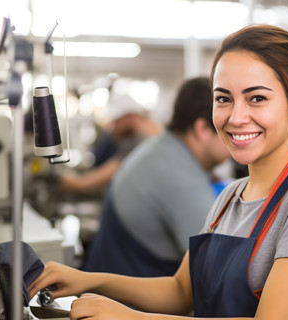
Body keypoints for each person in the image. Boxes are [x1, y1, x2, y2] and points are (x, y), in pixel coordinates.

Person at [29, 24, 288, 320]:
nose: (236, 116)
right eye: (223, 98)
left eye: (257, 98)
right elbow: (181, 291)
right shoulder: (229, 197)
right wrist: (90, 280)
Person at [82, 76, 231, 277]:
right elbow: (219, 271)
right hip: (126, 302)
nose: (238, 136)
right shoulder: (181, 179)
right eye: (230, 130)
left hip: (110, 285)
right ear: (203, 129)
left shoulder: (162, 148)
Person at [59, 93, 161, 196]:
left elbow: (112, 171)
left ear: (131, 117)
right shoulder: (153, 134)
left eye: (117, 121)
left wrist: (75, 183)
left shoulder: (139, 140)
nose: (114, 128)